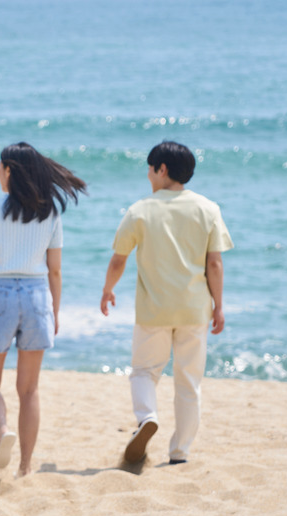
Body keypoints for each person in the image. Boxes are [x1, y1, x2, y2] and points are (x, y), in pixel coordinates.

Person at [100, 140, 233, 465]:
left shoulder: (140, 210)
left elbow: (119, 260)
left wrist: (107, 289)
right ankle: (180, 453)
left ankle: (147, 418)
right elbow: (214, 263)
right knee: (189, 382)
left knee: (144, 371)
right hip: (194, 309)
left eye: (149, 169)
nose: (148, 176)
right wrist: (218, 305)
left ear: (162, 170)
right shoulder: (208, 209)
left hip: (153, 309)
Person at [0, 142, 86, 476]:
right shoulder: (51, 212)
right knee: (29, 390)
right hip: (37, 296)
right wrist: (55, 310)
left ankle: (3, 431)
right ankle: (26, 467)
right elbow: (55, 269)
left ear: (9, 171)